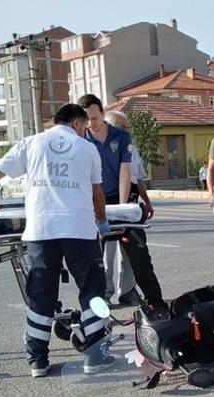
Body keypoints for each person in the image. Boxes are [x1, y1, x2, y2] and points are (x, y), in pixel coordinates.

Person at [0, 104, 115, 377]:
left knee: (41, 295)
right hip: (79, 230)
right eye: (84, 127)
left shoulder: (30, 144)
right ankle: (95, 355)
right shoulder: (87, 148)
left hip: (41, 231)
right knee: (92, 291)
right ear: (78, 124)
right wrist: (102, 224)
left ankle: (38, 361)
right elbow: (97, 196)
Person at [78, 94, 167, 315]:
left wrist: (121, 209)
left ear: (102, 113)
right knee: (93, 258)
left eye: (95, 118)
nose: (92, 124)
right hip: (94, 200)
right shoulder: (80, 141)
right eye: (87, 119)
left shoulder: (121, 136)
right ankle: (96, 306)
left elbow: (126, 172)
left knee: (139, 255)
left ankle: (155, 302)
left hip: (121, 197)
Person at [103, 110, 154, 307]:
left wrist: (147, 201)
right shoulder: (98, 149)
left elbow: (138, 177)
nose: (126, 131)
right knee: (106, 253)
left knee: (131, 252)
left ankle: (127, 291)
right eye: (121, 127)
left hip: (130, 206)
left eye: (127, 127)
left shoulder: (130, 148)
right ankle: (104, 293)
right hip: (107, 205)